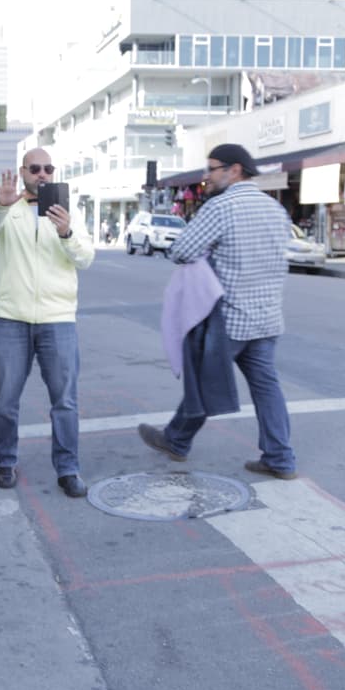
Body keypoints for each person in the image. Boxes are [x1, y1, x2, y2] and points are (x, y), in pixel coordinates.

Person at [137, 143, 298, 480]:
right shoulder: (275, 209)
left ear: (234, 170)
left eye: (212, 168)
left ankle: (177, 440)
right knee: (267, 388)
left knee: (203, 380)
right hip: (267, 316)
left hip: (230, 317)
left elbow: (181, 250)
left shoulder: (221, 207)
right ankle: (280, 458)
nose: (206, 176)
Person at [0, 148, 94, 497]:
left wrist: (66, 232)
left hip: (57, 319)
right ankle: (5, 461)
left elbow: (85, 258)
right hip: (11, 318)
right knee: (5, 399)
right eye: (35, 168)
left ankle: (68, 468)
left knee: (65, 400)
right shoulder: (7, 209)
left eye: (48, 168)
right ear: (23, 171)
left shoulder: (66, 212)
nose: (42, 174)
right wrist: (1, 203)